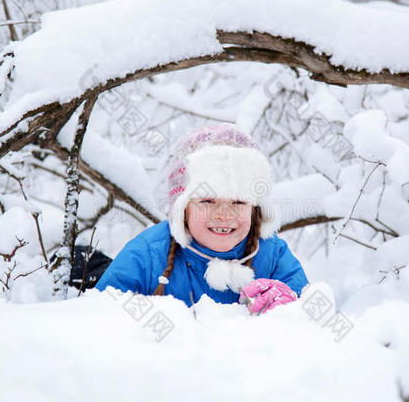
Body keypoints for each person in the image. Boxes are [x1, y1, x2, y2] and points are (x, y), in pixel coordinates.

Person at [95, 123, 309, 314]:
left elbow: (311, 320)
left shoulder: (273, 255)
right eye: (207, 201)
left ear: (254, 209)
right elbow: (102, 315)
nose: (225, 215)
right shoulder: (147, 254)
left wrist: (291, 306)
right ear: (183, 209)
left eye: (239, 202)